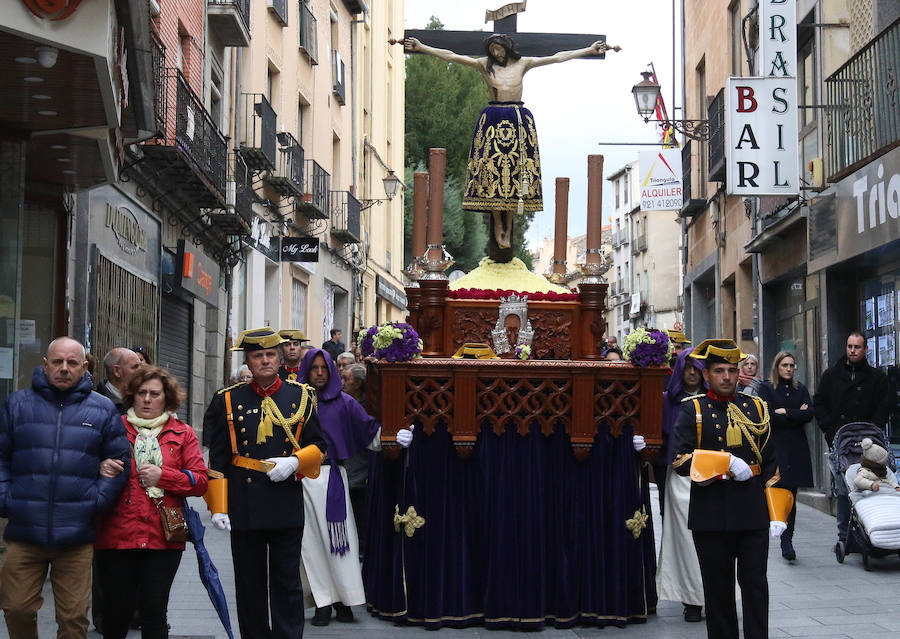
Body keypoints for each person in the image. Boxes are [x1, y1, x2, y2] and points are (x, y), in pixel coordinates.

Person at [403, 34, 617, 252]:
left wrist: (587, 50)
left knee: (517, 171)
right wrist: (422, 47)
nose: (496, 53)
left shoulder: (523, 64)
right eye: (493, 50)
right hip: (493, 119)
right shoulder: (483, 65)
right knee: (493, 173)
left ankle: (509, 221)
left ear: (507, 48)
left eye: (499, 49)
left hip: (517, 118)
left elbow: (557, 57)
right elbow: (451, 56)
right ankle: (498, 222)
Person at [0, 337, 130, 639]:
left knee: (73, 620)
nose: (63, 368)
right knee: (16, 608)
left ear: (84, 367)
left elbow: (120, 461)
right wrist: (6, 500)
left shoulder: (103, 410)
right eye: (57, 362)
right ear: (45, 365)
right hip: (24, 532)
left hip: (76, 536)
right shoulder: (17, 405)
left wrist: (95, 502)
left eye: (72, 363)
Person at [204, 327, 327, 639]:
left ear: (280, 356)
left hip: (285, 499)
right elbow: (217, 459)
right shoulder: (227, 400)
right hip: (244, 502)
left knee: (287, 580)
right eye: (257, 356)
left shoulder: (300, 395)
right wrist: (218, 507)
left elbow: (320, 446)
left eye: (270, 354)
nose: (265, 361)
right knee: (249, 582)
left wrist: (295, 462)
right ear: (248, 361)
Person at [671, 339, 785, 639]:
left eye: (732, 371)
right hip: (711, 514)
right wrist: (724, 462)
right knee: (718, 594)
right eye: (719, 370)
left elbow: (772, 465)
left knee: (756, 588)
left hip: (751, 513)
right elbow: (680, 461)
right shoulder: (693, 409)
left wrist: (778, 512)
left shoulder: (757, 408)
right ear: (706, 374)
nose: (726, 377)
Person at [297, 349, 412, 626]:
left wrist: (395, 436)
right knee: (310, 547)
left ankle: (345, 601)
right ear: (306, 371)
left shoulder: (345, 403)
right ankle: (323, 603)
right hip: (299, 479)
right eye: (314, 368)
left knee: (342, 544)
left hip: (333, 478)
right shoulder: (294, 403)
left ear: (332, 370)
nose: (320, 373)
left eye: (324, 368)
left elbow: (370, 432)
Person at [94, 366, 208, 639]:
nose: (146, 399)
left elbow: (201, 481)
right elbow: (85, 464)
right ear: (131, 396)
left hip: (163, 537)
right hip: (116, 534)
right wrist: (99, 467)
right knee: (116, 612)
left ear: (166, 398)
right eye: (141, 393)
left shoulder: (183, 433)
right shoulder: (113, 427)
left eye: (154, 394)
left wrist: (164, 476)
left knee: (154, 611)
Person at [814, 331, 894, 547]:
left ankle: (870, 531)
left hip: (869, 442)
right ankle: (844, 536)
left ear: (865, 349)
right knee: (843, 489)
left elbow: (885, 406)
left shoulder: (877, 378)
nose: (852, 350)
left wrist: (874, 430)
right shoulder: (832, 375)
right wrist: (830, 430)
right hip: (841, 442)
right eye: (850, 346)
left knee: (871, 485)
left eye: (857, 347)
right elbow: (819, 403)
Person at [655, 346, 707, 623]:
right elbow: (660, 441)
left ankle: (713, 593)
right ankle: (691, 600)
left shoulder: (715, 400)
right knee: (685, 540)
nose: (691, 372)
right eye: (687, 366)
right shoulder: (667, 401)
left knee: (713, 540)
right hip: (679, 478)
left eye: (696, 367)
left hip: (712, 478)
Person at [759, 351, 814, 561]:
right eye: (785, 365)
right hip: (775, 448)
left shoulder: (800, 389)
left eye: (791, 365)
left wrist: (786, 412)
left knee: (791, 495)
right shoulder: (766, 388)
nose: (789, 369)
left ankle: (786, 540)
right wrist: (794, 414)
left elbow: (809, 413)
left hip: (796, 448)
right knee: (774, 490)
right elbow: (768, 416)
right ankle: (770, 529)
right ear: (777, 367)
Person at [340, 363, 371, 558]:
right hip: (348, 467)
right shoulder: (344, 401)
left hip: (360, 469)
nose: (342, 383)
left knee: (360, 513)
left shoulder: (367, 405)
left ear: (358, 384)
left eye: (346, 379)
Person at [98, 347, 143, 414]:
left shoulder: (145, 399)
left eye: (141, 366)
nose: (142, 371)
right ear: (117, 371)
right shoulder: (96, 405)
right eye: (135, 367)